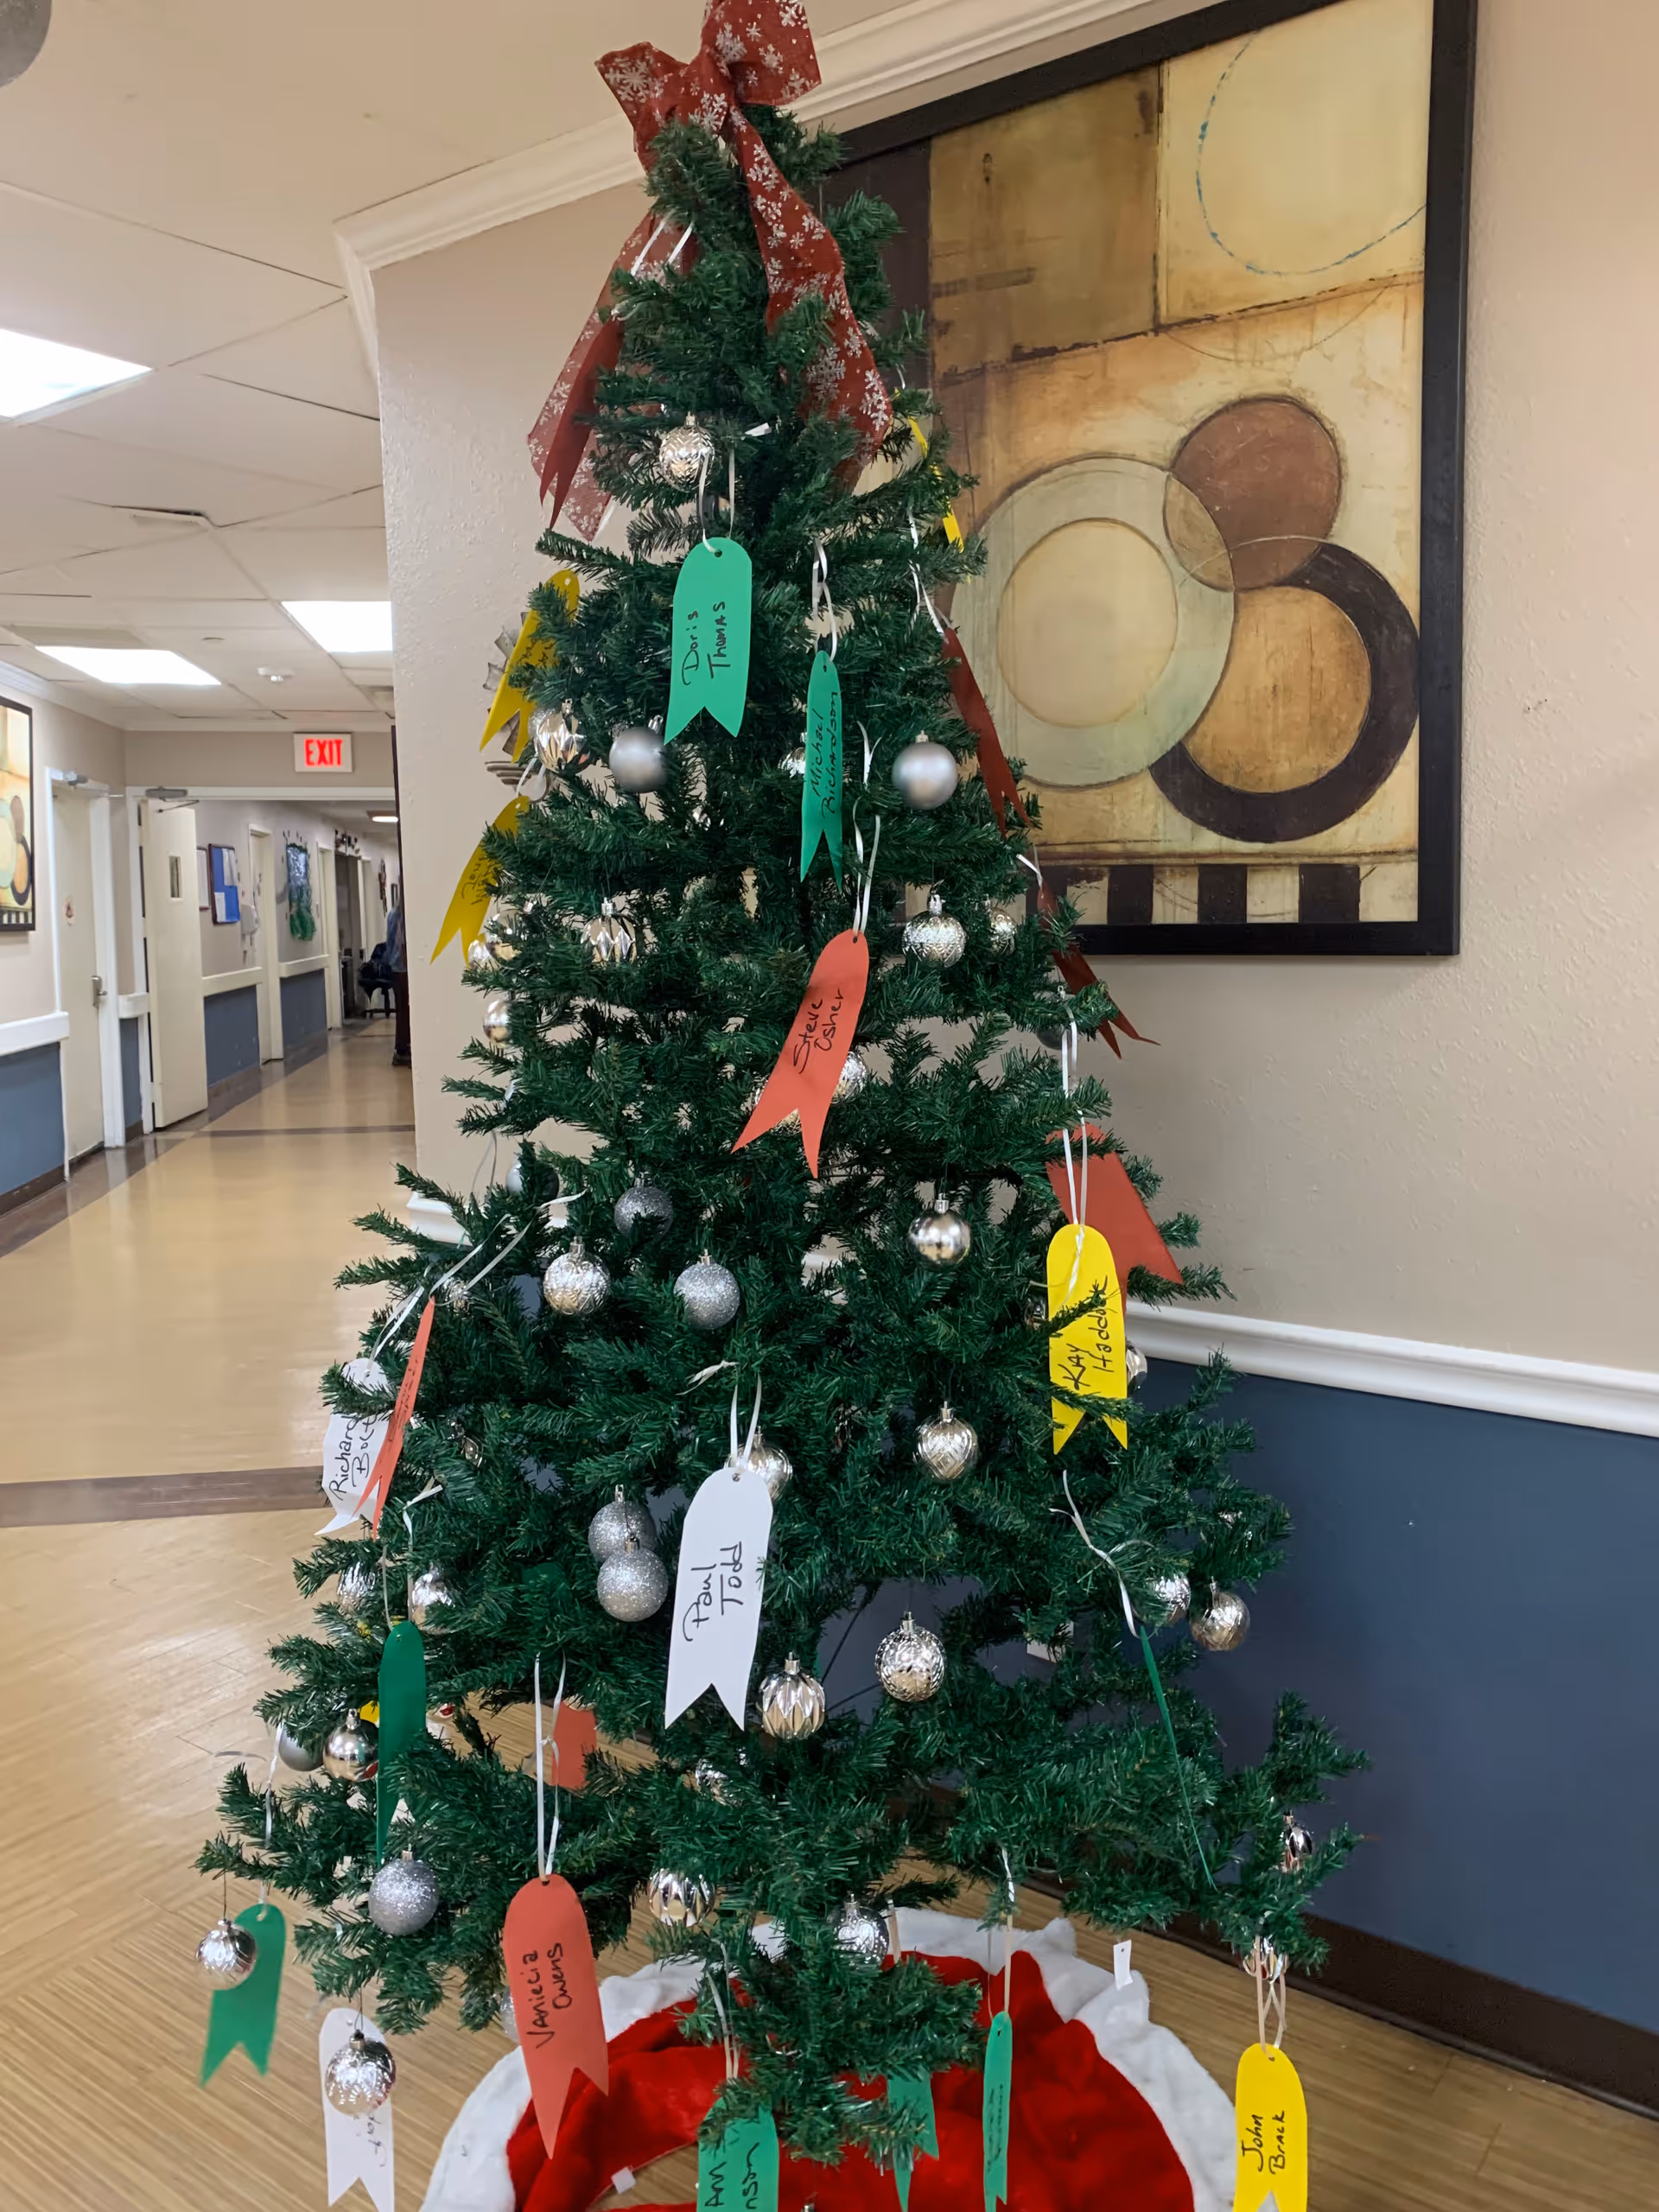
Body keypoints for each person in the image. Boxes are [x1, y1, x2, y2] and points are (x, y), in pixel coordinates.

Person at [385, 883, 410, 1066]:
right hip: (402, 969)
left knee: (402, 1009)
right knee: (405, 1010)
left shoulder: (394, 914)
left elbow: (389, 942)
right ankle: (402, 1048)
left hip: (397, 968)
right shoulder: (400, 915)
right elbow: (398, 943)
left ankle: (402, 1047)